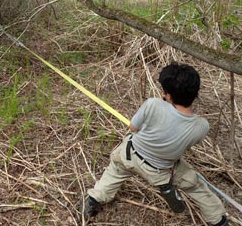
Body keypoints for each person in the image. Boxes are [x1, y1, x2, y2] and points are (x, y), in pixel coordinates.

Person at [79, 62, 228, 226]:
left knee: (114, 173)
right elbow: (187, 143)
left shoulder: (153, 104)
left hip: (129, 155)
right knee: (195, 186)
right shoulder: (202, 126)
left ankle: (93, 199)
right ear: (195, 93)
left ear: (168, 95)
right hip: (162, 172)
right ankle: (218, 221)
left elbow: (133, 128)